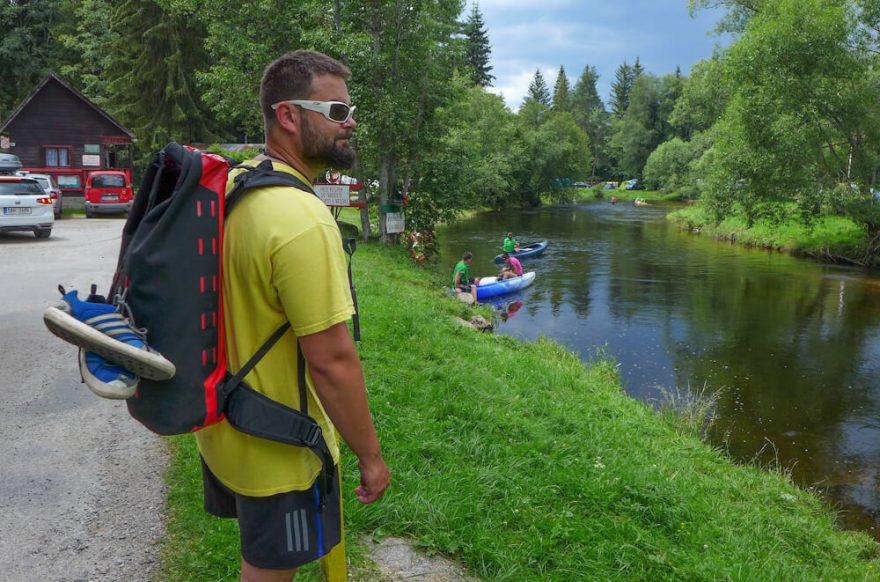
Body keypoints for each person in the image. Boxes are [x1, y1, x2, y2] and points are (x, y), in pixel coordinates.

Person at [195, 50, 390, 582]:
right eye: (336, 110)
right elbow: (331, 360)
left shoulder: (238, 185)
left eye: (350, 110)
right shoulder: (301, 218)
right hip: (281, 445)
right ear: (288, 115)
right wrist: (370, 459)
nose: (349, 122)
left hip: (227, 424)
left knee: (259, 556)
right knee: (269, 570)